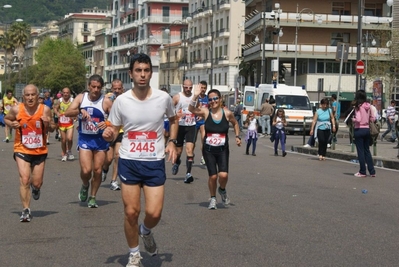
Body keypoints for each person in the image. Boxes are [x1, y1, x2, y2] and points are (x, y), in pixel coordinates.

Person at [102, 53, 178, 267]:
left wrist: (172, 141)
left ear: (150, 73)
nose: (142, 75)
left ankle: (145, 231)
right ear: (131, 74)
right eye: (138, 70)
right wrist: (109, 134)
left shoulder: (163, 98)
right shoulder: (121, 101)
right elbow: (113, 128)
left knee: (153, 213)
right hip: (129, 160)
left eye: (146, 70)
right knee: (131, 212)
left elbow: (173, 120)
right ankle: (134, 253)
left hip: (154, 161)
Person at [4, 84, 56, 222]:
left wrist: (47, 124)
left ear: (38, 96)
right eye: (27, 95)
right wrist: (11, 124)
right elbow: (7, 118)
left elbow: (53, 128)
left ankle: (36, 189)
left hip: (40, 150)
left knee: (37, 182)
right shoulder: (16, 109)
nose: (30, 97)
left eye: (33, 94)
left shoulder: (45, 110)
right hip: (21, 148)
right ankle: (26, 210)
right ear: (23, 96)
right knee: (25, 179)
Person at [188, 86, 241, 209]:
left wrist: (237, 136)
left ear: (220, 99)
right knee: (213, 176)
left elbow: (235, 123)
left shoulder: (227, 113)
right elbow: (191, 109)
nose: (213, 101)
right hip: (209, 150)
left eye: (216, 98)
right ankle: (212, 198)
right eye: (210, 99)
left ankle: (222, 190)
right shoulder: (206, 112)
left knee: (223, 176)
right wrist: (195, 96)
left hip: (222, 149)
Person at [64, 74, 113, 208]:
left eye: (98, 87)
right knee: (86, 171)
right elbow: (67, 113)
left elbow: (117, 119)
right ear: (88, 86)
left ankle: (93, 197)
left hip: (100, 140)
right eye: (93, 87)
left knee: (97, 170)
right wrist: (80, 110)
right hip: (85, 138)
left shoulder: (106, 101)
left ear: (101, 88)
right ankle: (85, 185)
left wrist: (107, 123)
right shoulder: (81, 98)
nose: (96, 90)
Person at [172, 79, 197, 183]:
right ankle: (177, 162)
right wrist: (175, 115)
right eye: (186, 87)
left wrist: (199, 115)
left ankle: (188, 173)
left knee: (190, 150)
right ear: (183, 86)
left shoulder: (195, 97)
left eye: (190, 88)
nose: (188, 89)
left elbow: (198, 108)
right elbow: (169, 109)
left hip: (191, 126)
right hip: (179, 126)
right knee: (178, 152)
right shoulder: (177, 97)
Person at [101, 79, 125, 191]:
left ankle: (114, 181)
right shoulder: (108, 98)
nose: (117, 90)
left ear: (122, 88)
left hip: (121, 131)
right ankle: (105, 169)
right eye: (114, 88)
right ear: (111, 89)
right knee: (109, 158)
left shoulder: (126, 98)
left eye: (119, 88)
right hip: (110, 130)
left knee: (117, 156)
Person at [352, 90, 376, 177]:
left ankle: (362, 171)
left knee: (360, 151)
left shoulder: (358, 107)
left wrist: (353, 119)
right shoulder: (369, 106)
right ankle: (372, 171)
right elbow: (373, 118)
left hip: (359, 129)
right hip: (367, 130)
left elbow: (358, 119)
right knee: (367, 151)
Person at [53, 87, 75, 162]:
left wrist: (74, 115)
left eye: (67, 92)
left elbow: (77, 109)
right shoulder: (60, 100)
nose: (65, 94)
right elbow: (55, 108)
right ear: (62, 93)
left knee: (70, 138)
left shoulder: (72, 100)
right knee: (63, 140)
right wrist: (57, 113)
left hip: (70, 123)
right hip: (62, 123)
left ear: (69, 93)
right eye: (64, 92)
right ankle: (64, 154)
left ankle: (69, 151)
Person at [195, 80, 209, 165]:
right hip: (195, 120)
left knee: (203, 139)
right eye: (202, 88)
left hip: (203, 121)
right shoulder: (196, 97)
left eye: (204, 88)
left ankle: (203, 157)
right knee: (193, 140)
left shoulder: (207, 98)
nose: (203, 89)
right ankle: (191, 154)